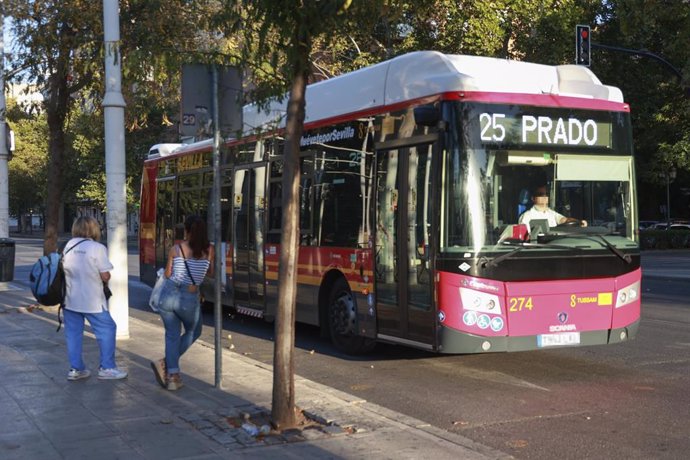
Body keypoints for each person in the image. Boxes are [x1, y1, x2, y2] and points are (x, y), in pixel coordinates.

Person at [151, 215, 214, 391]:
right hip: (188, 296)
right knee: (194, 331)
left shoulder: (176, 249)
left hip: (168, 294)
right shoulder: (210, 250)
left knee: (171, 334)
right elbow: (210, 274)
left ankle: (172, 376)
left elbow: (169, 274)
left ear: (186, 230)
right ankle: (166, 364)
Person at [62, 216, 128, 381]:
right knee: (107, 329)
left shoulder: (68, 245)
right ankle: (107, 367)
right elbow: (105, 276)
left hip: (70, 299)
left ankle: (76, 369)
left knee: (73, 334)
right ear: (94, 229)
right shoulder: (97, 248)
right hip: (92, 300)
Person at [519, 185, 587, 233]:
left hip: (554, 247)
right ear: (533, 198)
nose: (544, 196)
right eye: (541, 194)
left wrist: (579, 222)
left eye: (546, 194)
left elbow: (565, 220)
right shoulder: (527, 216)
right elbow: (526, 238)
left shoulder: (551, 213)